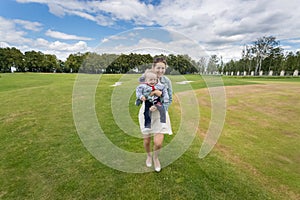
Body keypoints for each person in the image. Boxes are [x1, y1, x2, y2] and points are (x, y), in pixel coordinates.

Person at [138, 57, 172, 172]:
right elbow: (140, 93)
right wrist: (150, 94)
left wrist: (159, 107)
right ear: (153, 68)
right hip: (146, 113)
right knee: (147, 140)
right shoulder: (145, 78)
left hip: (160, 114)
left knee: (158, 142)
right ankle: (148, 156)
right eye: (158, 68)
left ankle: (156, 158)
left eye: (163, 68)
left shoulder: (166, 81)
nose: (160, 70)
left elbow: (169, 99)